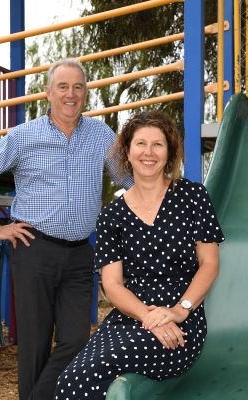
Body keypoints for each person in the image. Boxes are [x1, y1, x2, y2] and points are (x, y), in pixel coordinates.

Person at [0, 58, 131, 400]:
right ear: (48, 93)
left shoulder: (101, 136)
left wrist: (168, 194)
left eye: (78, 87)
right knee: (34, 344)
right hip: (34, 249)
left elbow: (129, 181)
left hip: (81, 254)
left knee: (76, 340)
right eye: (63, 87)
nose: (71, 94)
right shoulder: (24, 136)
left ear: (86, 93)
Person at [54, 110, 225, 399]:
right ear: (127, 152)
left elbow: (209, 264)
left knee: (88, 376)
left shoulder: (193, 197)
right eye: (141, 144)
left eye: (158, 144)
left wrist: (178, 311)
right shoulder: (111, 216)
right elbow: (112, 285)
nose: (149, 152)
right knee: (70, 381)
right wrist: (149, 318)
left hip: (181, 322)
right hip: (129, 317)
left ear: (169, 152)